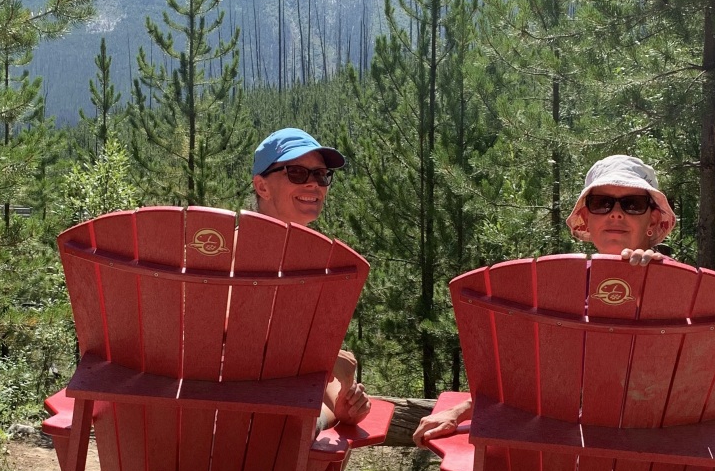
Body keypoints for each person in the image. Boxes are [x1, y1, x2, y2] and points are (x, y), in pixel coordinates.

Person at [412, 153, 677, 449]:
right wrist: (460, 411)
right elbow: (526, 375)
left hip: (628, 452)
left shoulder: (678, 293)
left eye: (632, 204)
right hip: (576, 449)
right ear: (587, 218)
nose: (616, 213)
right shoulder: (563, 291)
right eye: (601, 203)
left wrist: (660, 283)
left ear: (653, 219)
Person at [251, 128, 372, 431]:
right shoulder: (226, 258)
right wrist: (327, 362)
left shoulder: (317, 267)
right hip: (241, 420)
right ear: (261, 187)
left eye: (321, 175)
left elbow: (314, 374)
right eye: (296, 172)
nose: (313, 184)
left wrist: (341, 402)